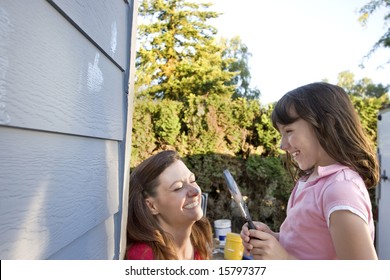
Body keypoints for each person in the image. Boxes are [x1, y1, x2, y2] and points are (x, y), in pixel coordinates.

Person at [241, 82, 379, 260]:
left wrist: (284, 261)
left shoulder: (340, 189)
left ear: (325, 125)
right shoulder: (312, 181)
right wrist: (273, 240)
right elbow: (309, 247)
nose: (282, 145)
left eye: (289, 131)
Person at [126, 150, 213, 260]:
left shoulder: (198, 236)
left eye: (192, 180)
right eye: (178, 188)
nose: (195, 191)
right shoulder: (144, 257)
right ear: (152, 206)